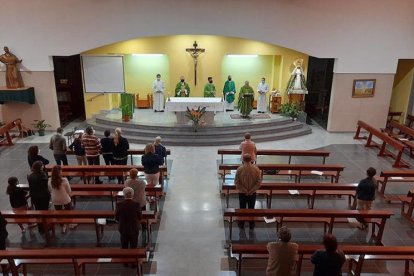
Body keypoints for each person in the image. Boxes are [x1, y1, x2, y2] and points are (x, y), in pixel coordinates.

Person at [234, 153, 261, 229]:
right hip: (252, 193)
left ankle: (241, 224)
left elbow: (236, 182)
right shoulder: (256, 169)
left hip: (242, 193)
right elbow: (258, 182)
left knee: (242, 208)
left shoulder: (240, 169)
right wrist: (251, 191)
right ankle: (251, 224)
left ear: (243, 160)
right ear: (251, 160)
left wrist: (245, 190)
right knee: (251, 208)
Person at [48, 165, 76, 233]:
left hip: (55, 199)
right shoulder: (64, 180)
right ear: (60, 172)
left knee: (59, 213)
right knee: (69, 211)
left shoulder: (49, 180)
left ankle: (63, 226)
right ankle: (71, 224)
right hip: (64, 198)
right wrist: (70, 196)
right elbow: (69, 191)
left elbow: (50, 190)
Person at [27, 161, 50, 233]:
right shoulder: (43, 175)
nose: (43, 166)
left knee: (38, 211)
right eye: (42, 165)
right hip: (43, 196)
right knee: (45, 211)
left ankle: (40, 228)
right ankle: (45, 227)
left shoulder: (30, 176)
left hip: (35, 196)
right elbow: (46, 185)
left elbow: (31, 187)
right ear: (40, 167)